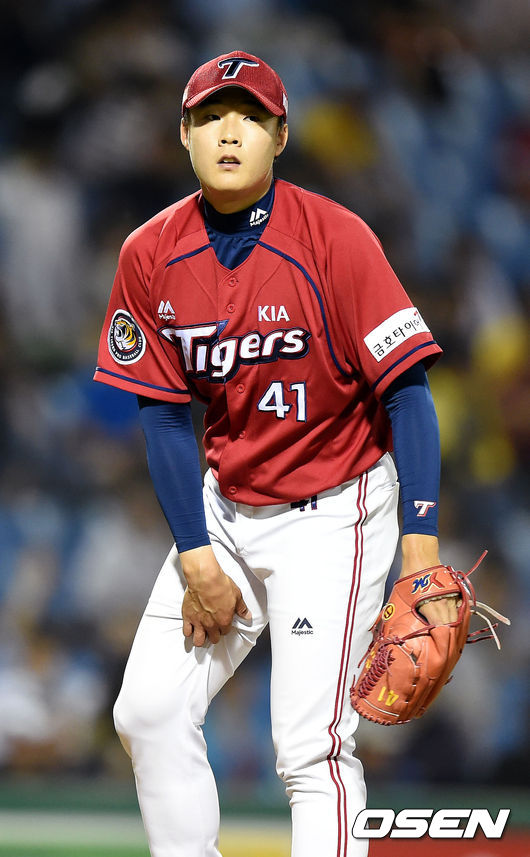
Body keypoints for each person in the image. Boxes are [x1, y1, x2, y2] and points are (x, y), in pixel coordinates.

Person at [94, 50, 457, 857]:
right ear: (184, 133)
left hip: (334, 514)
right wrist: (195, 553)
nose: (230, 133)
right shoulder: (149, 253)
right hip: (225, 510)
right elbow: (163, 418)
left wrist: (421, 548)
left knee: (310, 747)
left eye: (251, 117)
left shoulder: (335, 238)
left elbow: (408, 393)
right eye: (211, 117)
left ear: (281, 136)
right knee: (148, 711)